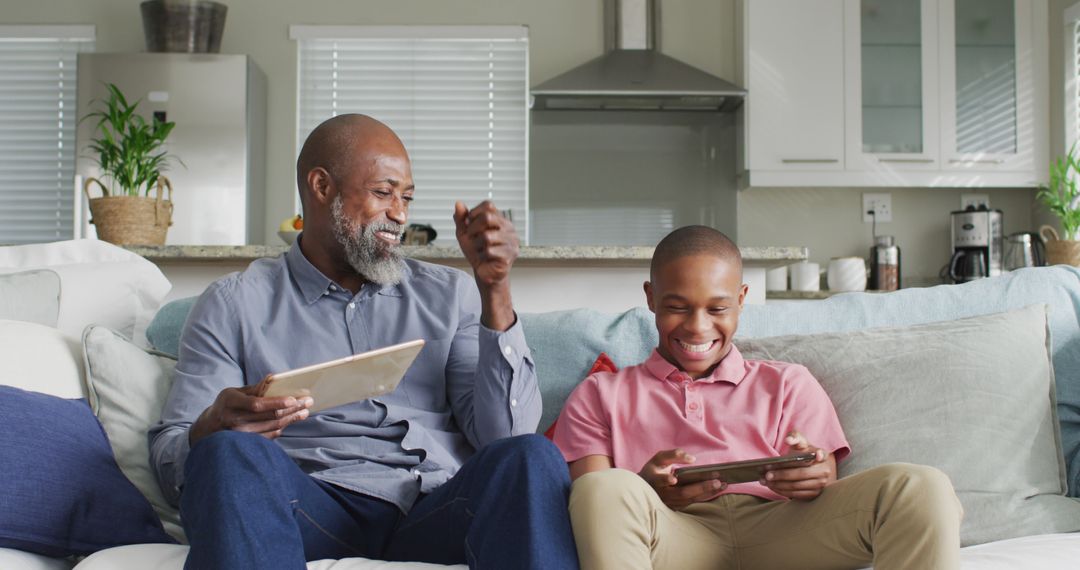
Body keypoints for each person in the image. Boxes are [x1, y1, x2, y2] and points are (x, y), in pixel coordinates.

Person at [149, 114, 579, 570]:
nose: (400, 213)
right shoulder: (234, 304)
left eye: (406, 197)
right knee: (224, 452)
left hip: (435, 508)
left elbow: (505, 436)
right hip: (309, 507)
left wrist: (496, 290)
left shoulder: (450, 295)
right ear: (321, 187)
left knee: (531, 457)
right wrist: (210, 427)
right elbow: (172, 456)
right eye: (383, 193)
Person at [551, 225, 962, 570]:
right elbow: (592, 502)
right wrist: (648, 488)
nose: (697, 327)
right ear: (651, 298)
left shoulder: (788, 383)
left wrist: (812, 474)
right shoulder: (599, 394)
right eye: (677, 306)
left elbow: (827, 482)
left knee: (921, 485)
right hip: (673, 534)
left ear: (742, 300)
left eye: (717, 308)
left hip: (786, 528)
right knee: (603, 489)